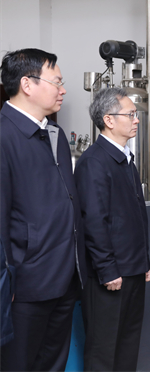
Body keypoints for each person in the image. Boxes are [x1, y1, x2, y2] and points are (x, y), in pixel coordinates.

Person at [0, 48, 86, 371]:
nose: (63, 90)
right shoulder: (4, 136)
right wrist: (7, 279)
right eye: (56, 82)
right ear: (27, 84)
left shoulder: (55, 134)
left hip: (63, 277)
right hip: (25, 284)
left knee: (52, 364)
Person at [74, 87, 150, 371]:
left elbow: (136, 216)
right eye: (130, 114)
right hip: (109, 275)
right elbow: (94, 222)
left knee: (128, 343)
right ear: (108, 120)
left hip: (132, 268)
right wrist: (107, 270)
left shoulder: (125, 158)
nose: (136, 119)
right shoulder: (94, 162)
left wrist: (144, 261)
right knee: (103, 351)